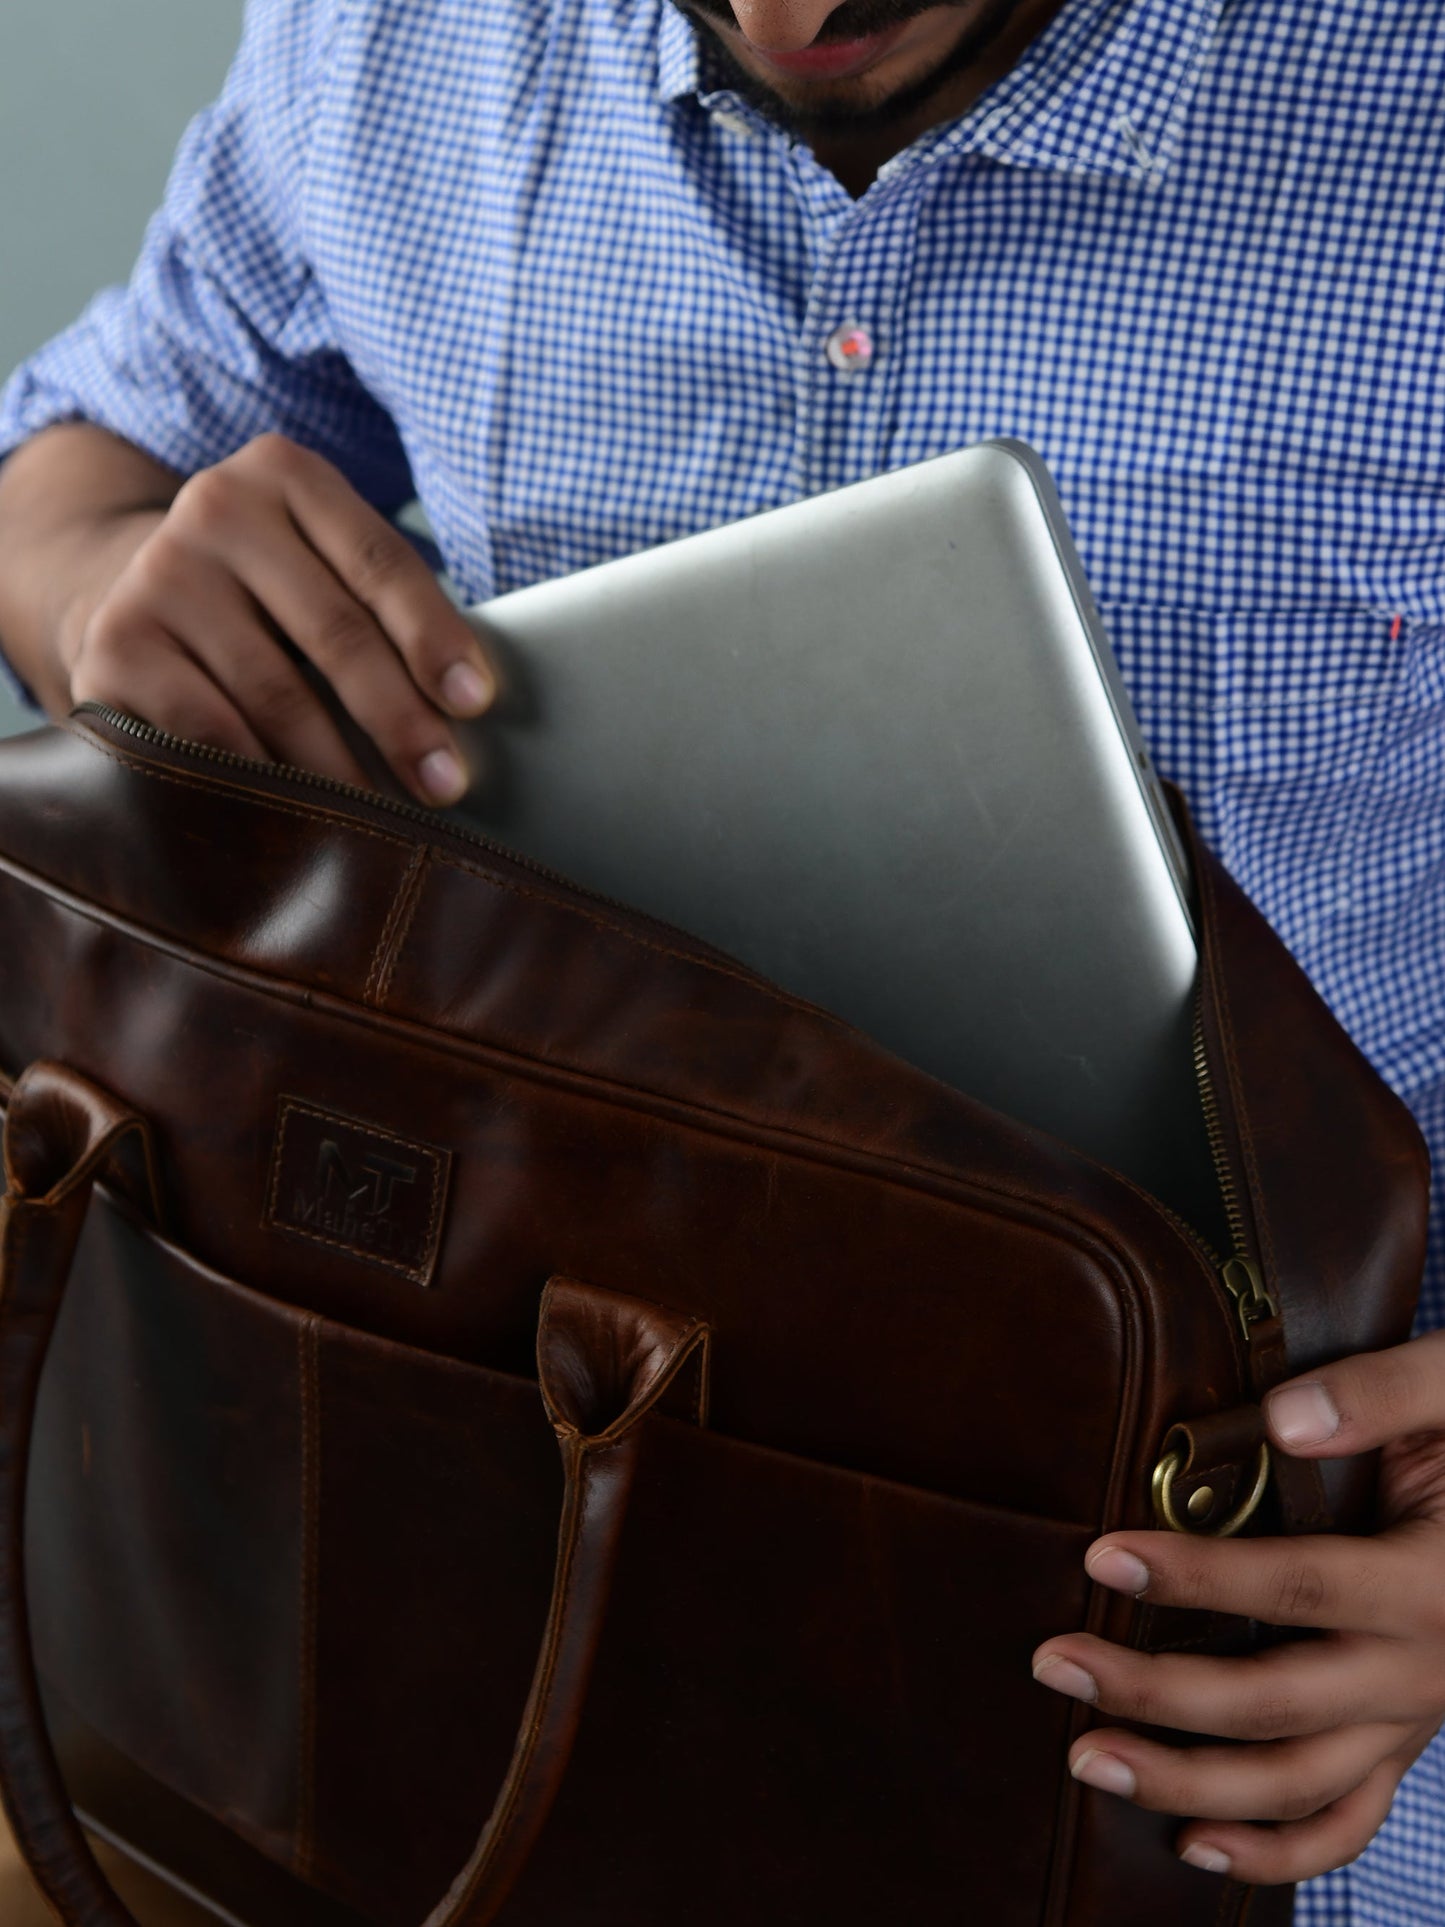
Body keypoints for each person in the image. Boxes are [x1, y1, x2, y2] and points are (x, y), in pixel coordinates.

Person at [0, 0, 1443, 1914]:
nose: (783, 16)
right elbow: (78, 460)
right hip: (462, 1649)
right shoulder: (394, 35)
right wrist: (110, 575)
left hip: (1221, 1719)